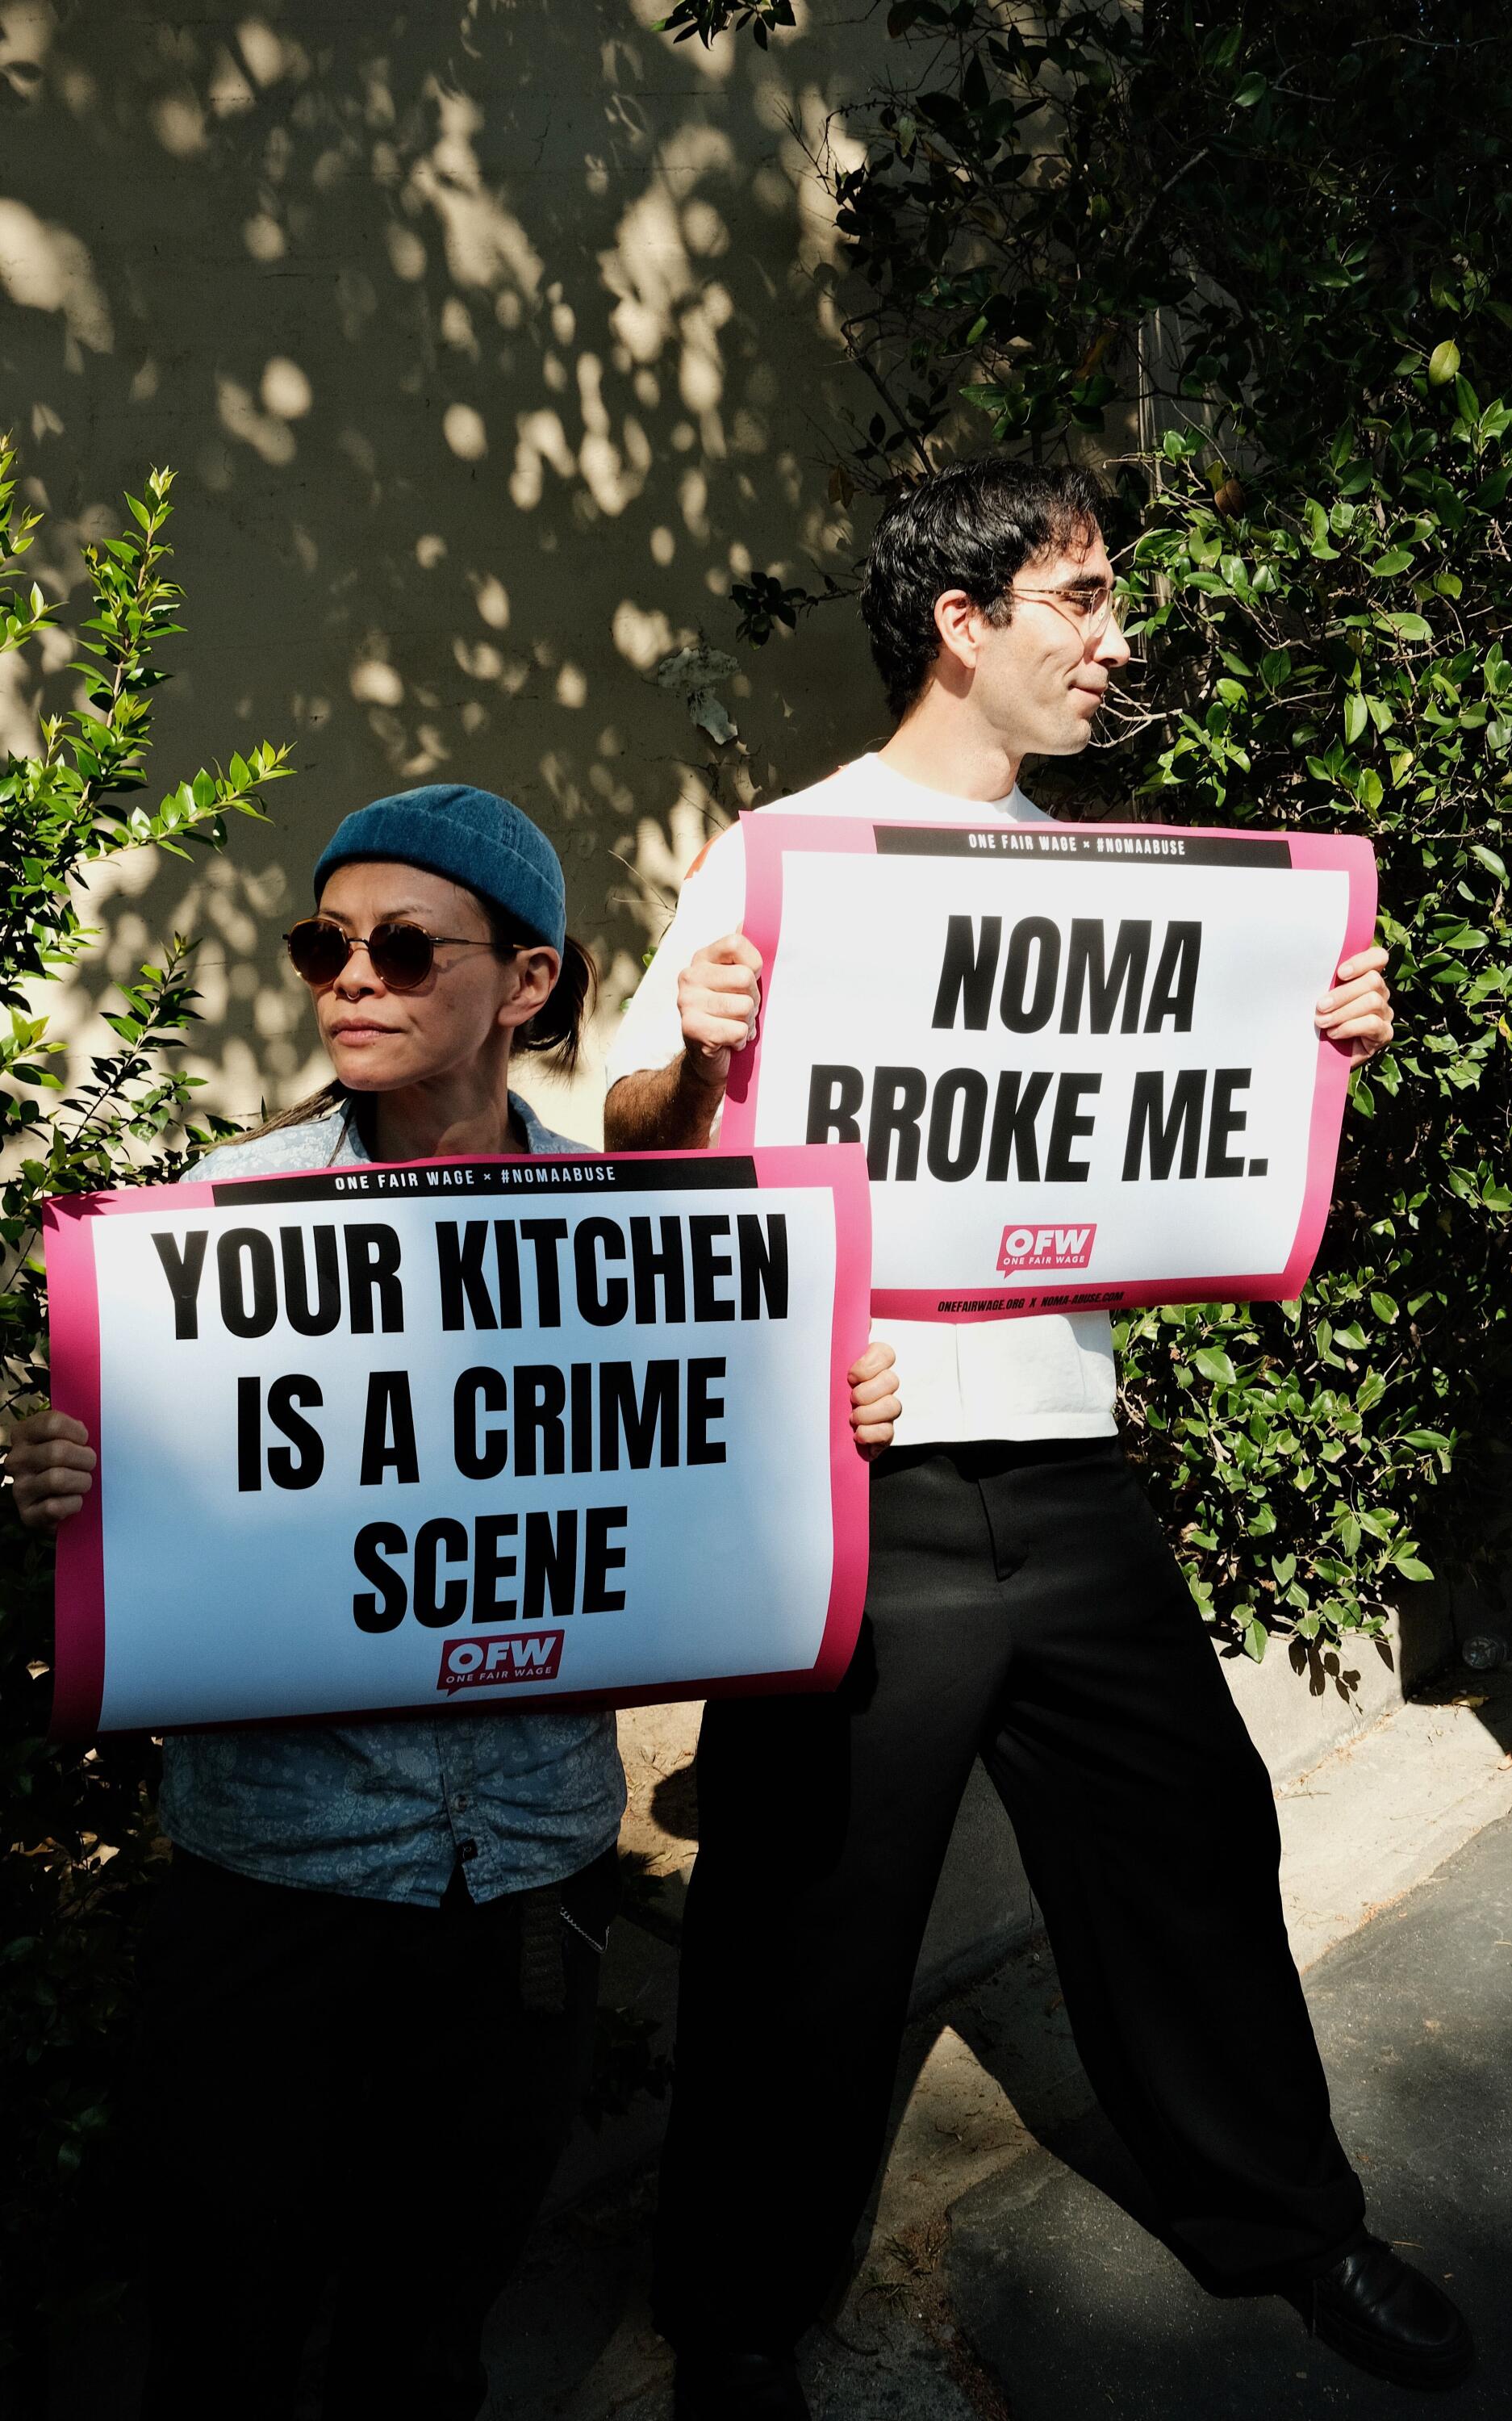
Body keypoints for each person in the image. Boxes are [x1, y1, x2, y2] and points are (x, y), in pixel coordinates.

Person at [602, 462, 1473, 2419]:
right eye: (1077, 599)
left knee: (1191, 1847)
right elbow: (634, 1155)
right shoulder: (779, 858)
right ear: (961, 623)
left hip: (1068, 1466)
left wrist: (1314, 1032)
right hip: (847, 1484)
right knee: (801, 1920)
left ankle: (1292, 2225)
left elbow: (1200, 1143)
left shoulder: (1122, 887)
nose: (1114, 638)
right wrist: (695, 1055)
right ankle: (738, 2316)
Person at [6, 781, 901, 2421]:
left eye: (406, 948)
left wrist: (820, 1426)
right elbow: (154, 1524)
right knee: (226, 2319)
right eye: (324, 945)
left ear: (530, 983)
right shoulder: (210, 1229)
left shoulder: (644, 1244)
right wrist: (62, 1484)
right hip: (270, 1882)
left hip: (524, 1891)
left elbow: (713, 1471)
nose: (354, 977)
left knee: (431, 2328)